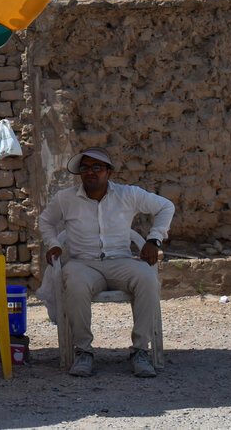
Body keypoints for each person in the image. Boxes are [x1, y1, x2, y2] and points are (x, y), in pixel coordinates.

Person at [39, 146, 174, 378]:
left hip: (120, 260)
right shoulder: (66, 199)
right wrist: (53, 243)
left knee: (147, 278)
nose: (90, 172)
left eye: (97, 167)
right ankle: (83, 352)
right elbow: (45, 221)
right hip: (84, 263)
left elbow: (165, 206)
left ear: (109, 172)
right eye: (85, 168)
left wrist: (154, 239)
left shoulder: (128, 194)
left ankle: (140, 351)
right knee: (75, 282)